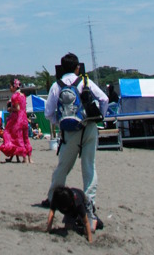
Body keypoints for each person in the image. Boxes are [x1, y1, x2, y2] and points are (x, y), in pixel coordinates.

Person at [44, 52, 109, 230]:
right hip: (88, 127)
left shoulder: (56, 86)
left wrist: (60, 122)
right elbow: (104, 98)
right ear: (77, 68)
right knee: (89, 166)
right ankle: (89, 204)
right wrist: (100, 117)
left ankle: (53, 199)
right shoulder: (84, 82)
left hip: (69, 132)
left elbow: (48, 113)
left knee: (63, 167)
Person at [1, 78, 33, 163]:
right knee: (26, 138)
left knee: (19, 139)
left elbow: (17, 108)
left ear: (14, 86)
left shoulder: (15, 96)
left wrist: (10, 109)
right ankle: (30, 158)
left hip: (17, 119)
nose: (10, 88)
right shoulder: (23, 95)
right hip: (24, 118)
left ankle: (24, 158)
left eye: (10, 86)